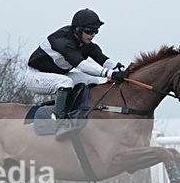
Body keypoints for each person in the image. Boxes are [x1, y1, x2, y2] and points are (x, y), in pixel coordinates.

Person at [25, 8, 128, 140]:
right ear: (77, 29)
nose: (92, 35)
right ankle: (60, 123)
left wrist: (119, 68)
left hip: (58, 75)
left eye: (95, 31)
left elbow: (103, 59)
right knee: (66, 83)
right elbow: (82, 66)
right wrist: (110, 74)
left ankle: (79, 113)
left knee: (93, 80)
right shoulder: (62, 40)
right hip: (36, 76)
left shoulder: (85, 43)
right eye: (89, 31)